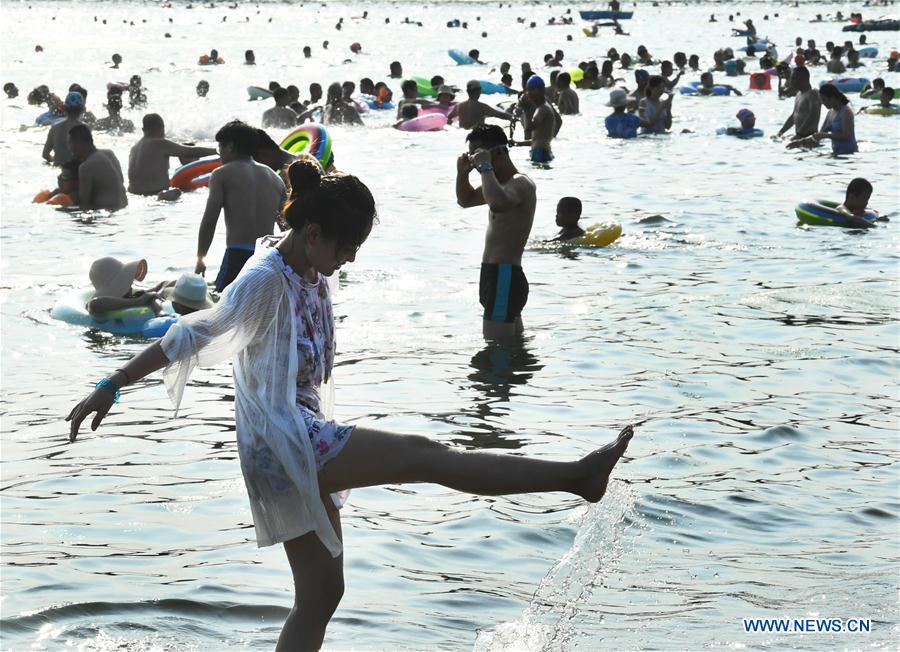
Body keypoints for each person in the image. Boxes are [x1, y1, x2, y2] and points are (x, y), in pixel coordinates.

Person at [67, 157, 635, 651]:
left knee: (321, 594)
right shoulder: (264, 279)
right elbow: (190, 334)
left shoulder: (308, 269)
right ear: (313, 232)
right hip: (282, 439)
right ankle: (576, 477)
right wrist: (111, 384)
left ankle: (576, 478)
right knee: (426, 455)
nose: (351, 260)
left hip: (297, 431)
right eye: (347, 247)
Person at [455, 125, 537, 340]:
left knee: (495, 348)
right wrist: (462, 174)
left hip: (505, 275)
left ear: (499, 152)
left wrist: (485, 167)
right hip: (495, 275)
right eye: (472, 155)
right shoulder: (496, 184)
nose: (474, 160)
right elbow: (466, 200)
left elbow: (499, 203)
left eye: (478, 154)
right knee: (513, 345)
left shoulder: (520, 183)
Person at [195, 120, 287, 292]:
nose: (220, 153)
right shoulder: (275, 179)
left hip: (237, 255)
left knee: (222, 306)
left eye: (220, 148)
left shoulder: (221, 174)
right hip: (267, 258)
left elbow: (209, 220)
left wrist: (201, 258)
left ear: (230, 146)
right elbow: (286, 228)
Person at [128, 113, 217, 199]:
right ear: (161, 128)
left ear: (143, 129)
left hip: (134, 194)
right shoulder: (159, 143)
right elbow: (190, 151)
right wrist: (217, 150)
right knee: (177, 192)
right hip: (157, 194)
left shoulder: (134, 148)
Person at [68, 124, 128, 210]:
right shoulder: (109, 154)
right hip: (123, 208)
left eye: (70, 143)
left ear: (78, 144)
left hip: (107, 212)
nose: (69, 148)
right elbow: (121, 181)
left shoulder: (85, 167)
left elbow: (84, 203)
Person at [85, 257, 161, 316]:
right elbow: (95, 305)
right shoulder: (97, 305)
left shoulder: (126, 296)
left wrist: (155, 290)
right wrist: (139, 301)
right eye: (124, 280)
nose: (130, 285)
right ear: (116, 285)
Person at [776, 67, 821, 140]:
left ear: (804, 79)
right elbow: (793, 116)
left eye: (794, 78)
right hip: (799, 136)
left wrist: (799, 134)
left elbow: (813, 115)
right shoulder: (798, 94)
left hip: (810, 138)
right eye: (791, 78)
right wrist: (780, 133)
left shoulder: (813, 93)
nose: (791, 81)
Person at [42, 91, 84, 166]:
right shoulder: (85, 128)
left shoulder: (54, 128)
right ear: (83, 109)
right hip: (77, 170)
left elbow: (45, 154)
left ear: (64, 108)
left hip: (59, 170)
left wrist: (55, 159)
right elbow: (90, 155)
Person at [447, 80, 513, 129]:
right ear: (479, 91)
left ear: (467, 91)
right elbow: (501, 115)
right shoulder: (483, 107)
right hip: (477, 135)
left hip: (461, 133)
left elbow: (448, 118)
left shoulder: (458, 106)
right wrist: (514, 117)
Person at [814, 83, 858, 155]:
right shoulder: (830, 113)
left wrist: (826, 135)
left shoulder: (846, 112)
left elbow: (847, 135)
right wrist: (801, 142)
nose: (822, 103)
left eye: (824, 100)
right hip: (836, 152)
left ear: (832, 97)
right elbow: (821, 133)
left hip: (849, 153)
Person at [521, 76, 557, 163]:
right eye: (528, 90)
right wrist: (517, 143)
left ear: (542, 91)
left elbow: (529, 128)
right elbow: (537, 139)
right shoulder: (541, 108)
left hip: (540, 153)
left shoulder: (542, 109)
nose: (529, 93)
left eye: (533, 89)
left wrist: (526, 110)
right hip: (542, 151)